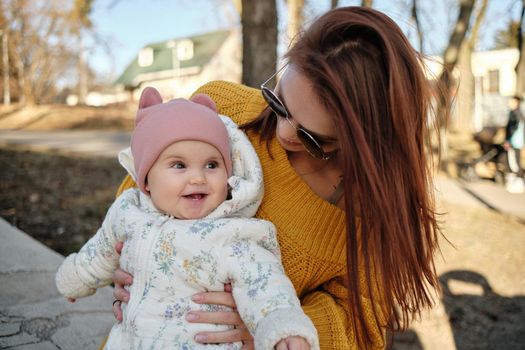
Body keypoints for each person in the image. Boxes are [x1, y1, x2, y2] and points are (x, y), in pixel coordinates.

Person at [109, 6, 445, 349]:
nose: (284, 132)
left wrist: (275, 324)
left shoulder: (367, 207)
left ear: (368, 138)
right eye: (279, 103)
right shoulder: (222, 107)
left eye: (315, 139)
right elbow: (139, 180)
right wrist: (125, 260)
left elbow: (363, 322)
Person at [56, 87, 319, 350]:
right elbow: (102, 249)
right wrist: (77, 278)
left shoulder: (231, 235)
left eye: (212, 165)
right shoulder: (129, 211)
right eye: (179, 165)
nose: (198, 178)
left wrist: (283, 330)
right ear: (146, 178)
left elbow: (266, 286)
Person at [504, 95, 524, 177]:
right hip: (516, 141)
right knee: (515, 161)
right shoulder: (516, 113)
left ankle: (519, 181)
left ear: (517, 103)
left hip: (515, 141)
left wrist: (508, 140)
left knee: (515, 162)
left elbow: (514, 128)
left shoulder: (516, 113)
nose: (509, 103)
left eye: (511, 101)